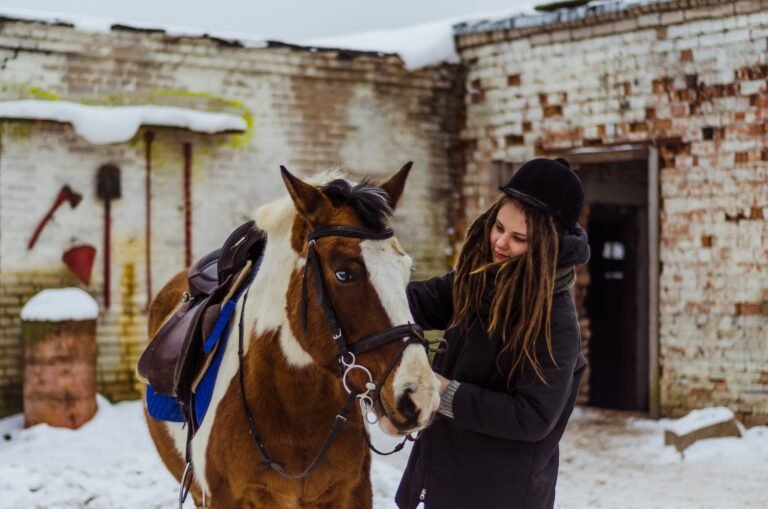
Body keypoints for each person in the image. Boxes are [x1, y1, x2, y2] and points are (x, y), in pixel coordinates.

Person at [390, 157, 590, 509]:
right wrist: (358, 291)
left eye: (518, 238)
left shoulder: (555, 319)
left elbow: (533, 417)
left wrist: (442, 390)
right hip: (438, 481)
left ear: (547, 245)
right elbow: (413, 303)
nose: (499, 242)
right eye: (498, 227)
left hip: (498, 495)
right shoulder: (479, 279)